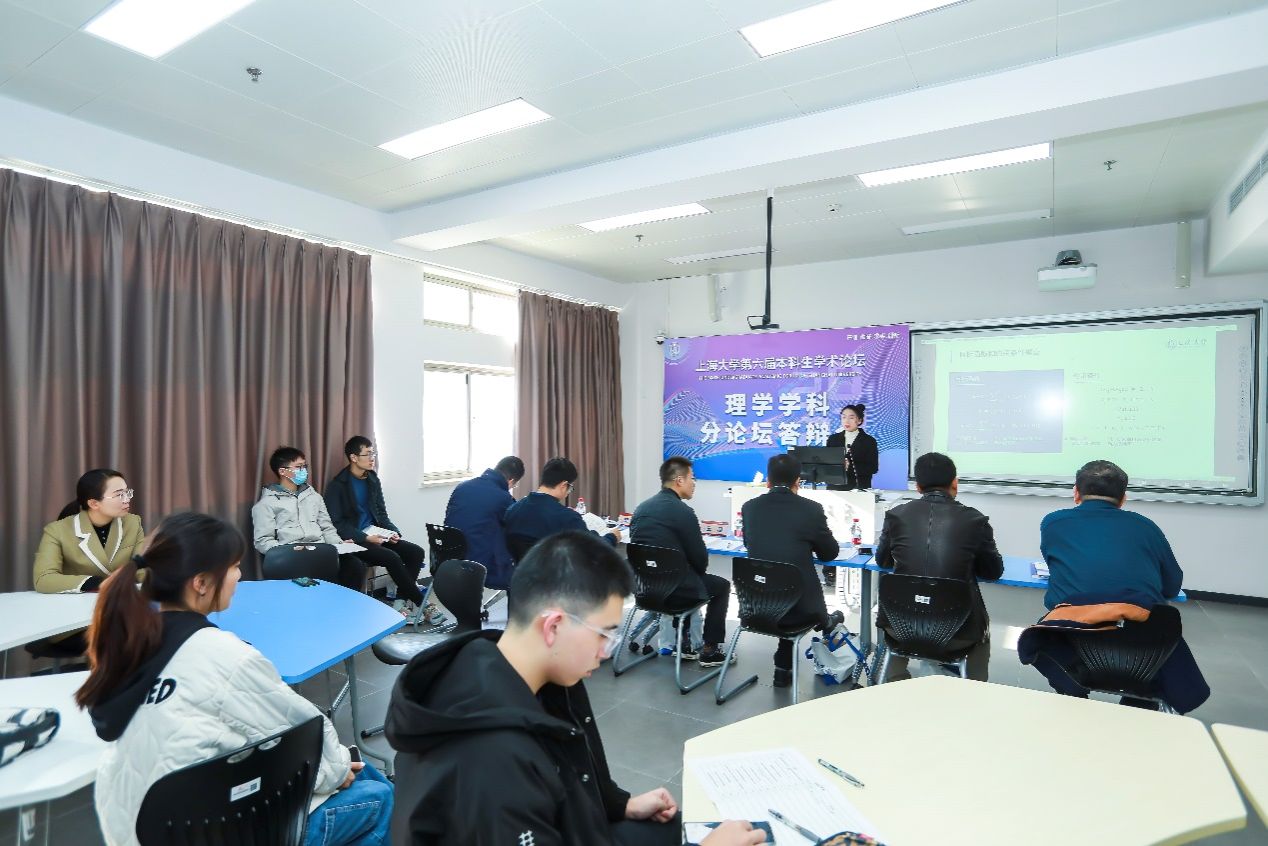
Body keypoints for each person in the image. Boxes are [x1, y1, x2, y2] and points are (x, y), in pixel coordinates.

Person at [385, 531, 765, 846]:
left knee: (691, 829)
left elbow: (573, 774)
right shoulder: (493, 763)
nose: (606, 652)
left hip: (573, 827)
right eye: (605, 635)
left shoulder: (540, 671)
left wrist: (618, 804)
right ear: (553, 626)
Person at [76, 512, 392, 846]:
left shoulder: (127, 643)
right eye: (234, 567)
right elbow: (305, 732)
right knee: (379, 793)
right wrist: (338, 773)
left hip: (140, 829)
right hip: (221, 828)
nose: (239, 576)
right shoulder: (225, 656)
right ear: (201, 583)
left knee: (355, 769)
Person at [1031, 459, 1208, 712]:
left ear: (1076, 493)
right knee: (1155, 641)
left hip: (1074, 636)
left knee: (1048, 634)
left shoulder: (1053, 523)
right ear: (1123, 498)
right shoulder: (1146, 526)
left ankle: (1072, 699)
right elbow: (1172, 585)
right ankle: (1136, 707)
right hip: (1143, 646)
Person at [873, 452, 1003, 682]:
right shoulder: (976, 520)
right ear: (955, 482)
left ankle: (892, 684)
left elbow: (882, 561)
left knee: (900, 615)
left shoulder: (895, 516)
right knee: (982, 634)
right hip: (958, 633)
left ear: (918, 486)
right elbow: (992, 572)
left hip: (898, 627)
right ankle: (975, 690)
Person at [741, 454, 845, 687]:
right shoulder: (810, 510)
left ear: (768, 481)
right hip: (799, 610)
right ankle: (825, 624)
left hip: (756, 606)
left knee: (783, 581)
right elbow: (829, 554)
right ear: (798, 481)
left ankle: (783, 666)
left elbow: (750, 545)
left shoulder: (749, 507)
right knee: (792, 584)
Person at [629, 457, 734, 668]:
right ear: (679, 480)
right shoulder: (684, 512)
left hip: (644, 591)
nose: (694, 483)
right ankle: (710, 650)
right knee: (721, 586)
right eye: (692, 478)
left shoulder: (641, 509)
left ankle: (684, 643)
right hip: (675, 593)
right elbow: (701, 561)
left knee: (685, 578)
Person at [325, 436, 427, 610]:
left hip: (376, 534)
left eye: (373, 453)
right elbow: (337, 523)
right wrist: (365, 537)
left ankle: (400, 602)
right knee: (392, 557)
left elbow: (381, 513)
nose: (372, 458)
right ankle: (422, 604)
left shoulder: (372, 479)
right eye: (367, 454)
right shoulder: (338, 486)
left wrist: (393, 532)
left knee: (416, 552)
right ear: (353, 457)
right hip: (355, 540)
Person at [252, 446, 366, 592]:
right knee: (307, 579)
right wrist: (286, 552)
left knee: (354, 566)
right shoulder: (266, 504)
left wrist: (339, 543)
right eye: (298, 467)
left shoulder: (314, 497)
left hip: (319, 549)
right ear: (282, 471)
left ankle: (344, 603)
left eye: (304, 466)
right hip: (290, 553)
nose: (304, 471)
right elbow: (263, 540)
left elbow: (326, 527)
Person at [33, 469, 145, 594]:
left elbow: (142, 568)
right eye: (119, 495)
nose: (127, 499)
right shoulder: (56, 531)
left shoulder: (133, 523)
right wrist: (94, 583)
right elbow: (43, 579)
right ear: (94, 504)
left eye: (127, 492)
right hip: (76, 602)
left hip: (120, 600)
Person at [442, 455, 525, 589]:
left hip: (449, 558)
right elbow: (517, 525)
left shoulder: (462, 487)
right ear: (511, 480)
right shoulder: (503, 498)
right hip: (480, 564)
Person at [503, 457, 621, 548]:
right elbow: (593, 550)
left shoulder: (513, 509)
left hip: (521, 571)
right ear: (564, 485)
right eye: (570, 487)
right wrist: (612, 537)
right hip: (556, 572)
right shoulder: (567, 518)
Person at [825, 404, 878, 490]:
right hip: (835, 487)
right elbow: (826, 463)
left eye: (851, 418)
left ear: (859, 420)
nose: (847, 421)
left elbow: (873, 468)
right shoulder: (833, 439)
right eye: (844, 417)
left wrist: (850, 466)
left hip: (858, 488)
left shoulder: (869, 441)